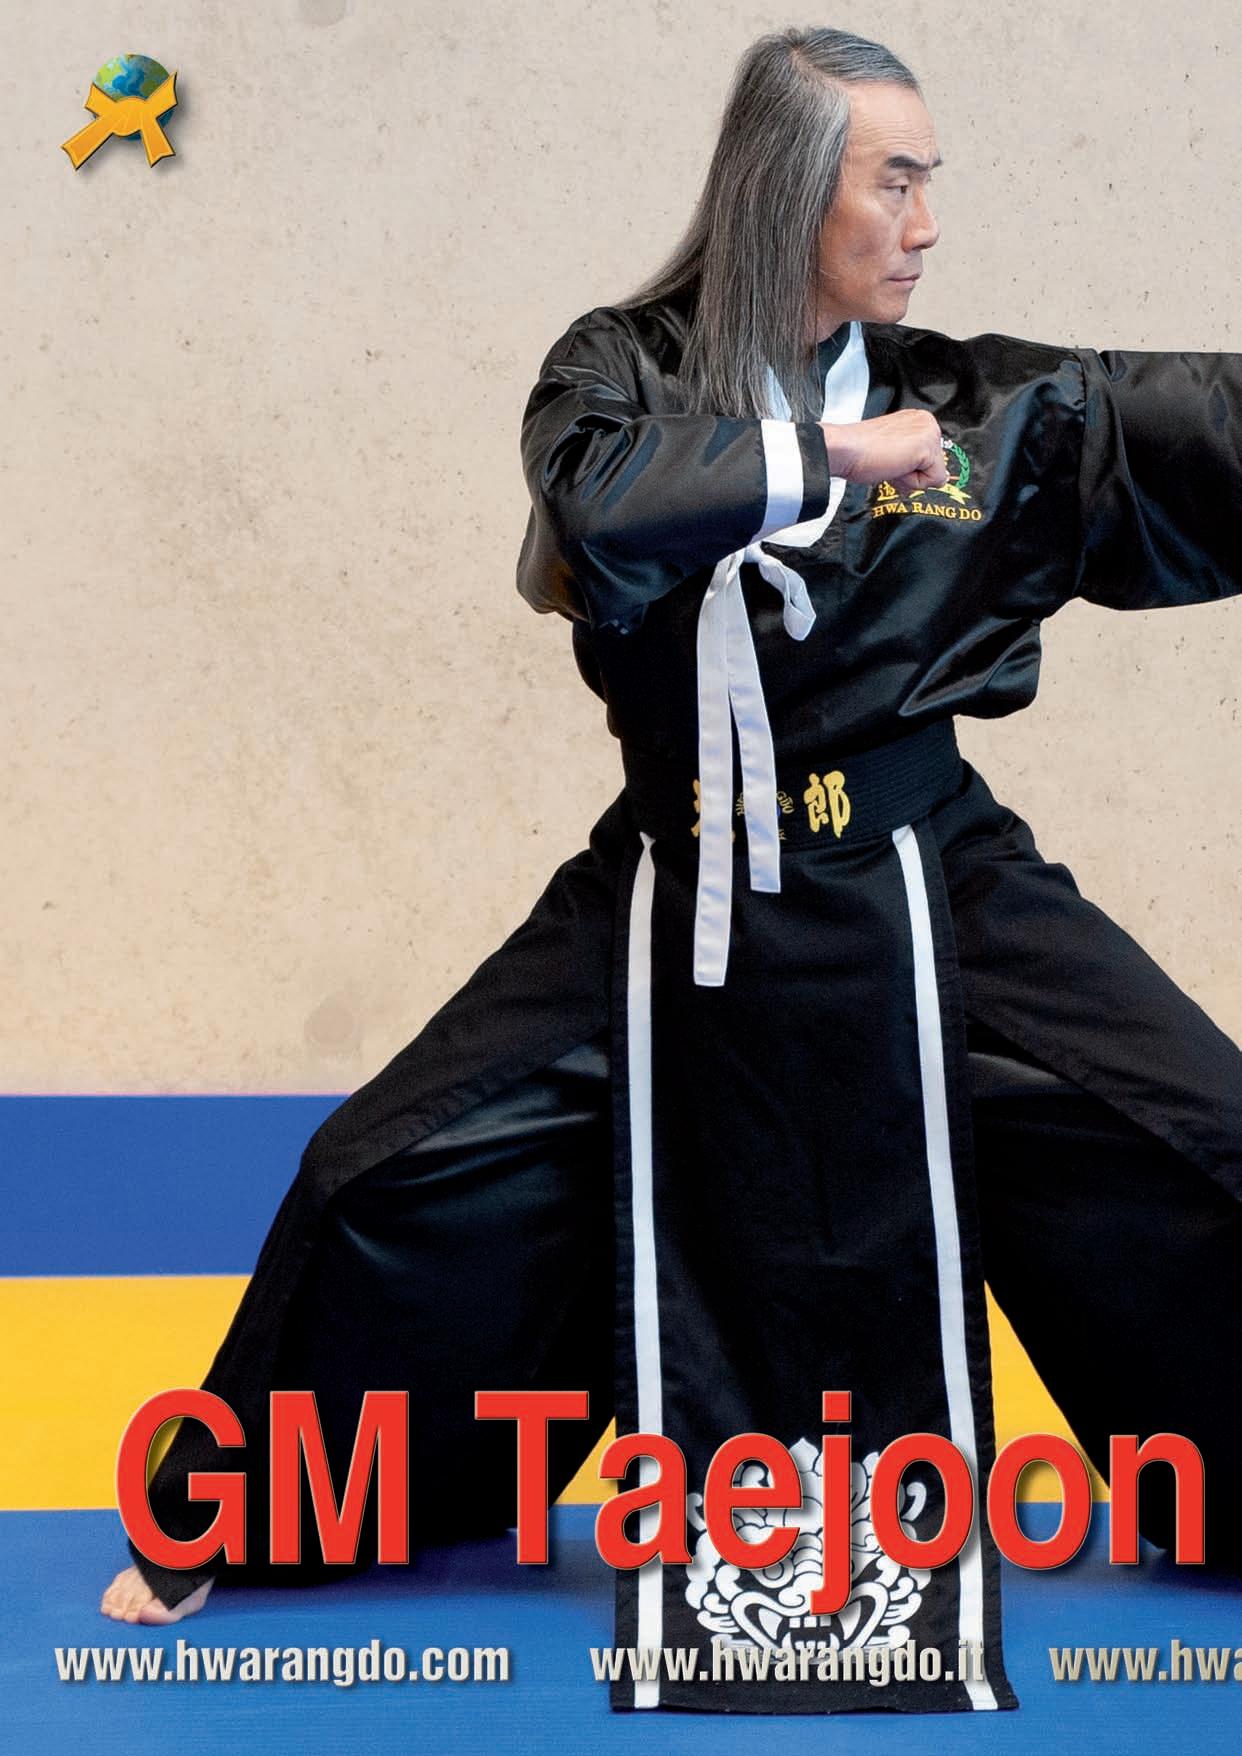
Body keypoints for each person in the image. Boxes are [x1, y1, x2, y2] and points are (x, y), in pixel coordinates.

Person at [102, 24, 1242, 1719]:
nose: (926, 223)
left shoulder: (991, 411)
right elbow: (597, 508)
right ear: (787, 191)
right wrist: (827, 461)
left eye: (930, 182)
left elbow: (1204, 424)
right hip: (677, 871)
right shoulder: (616, 370)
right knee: (377, 1172)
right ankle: (239, 1513)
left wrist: (892, 444)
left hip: (928, 870)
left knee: (1204, 1132)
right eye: (894, 182)